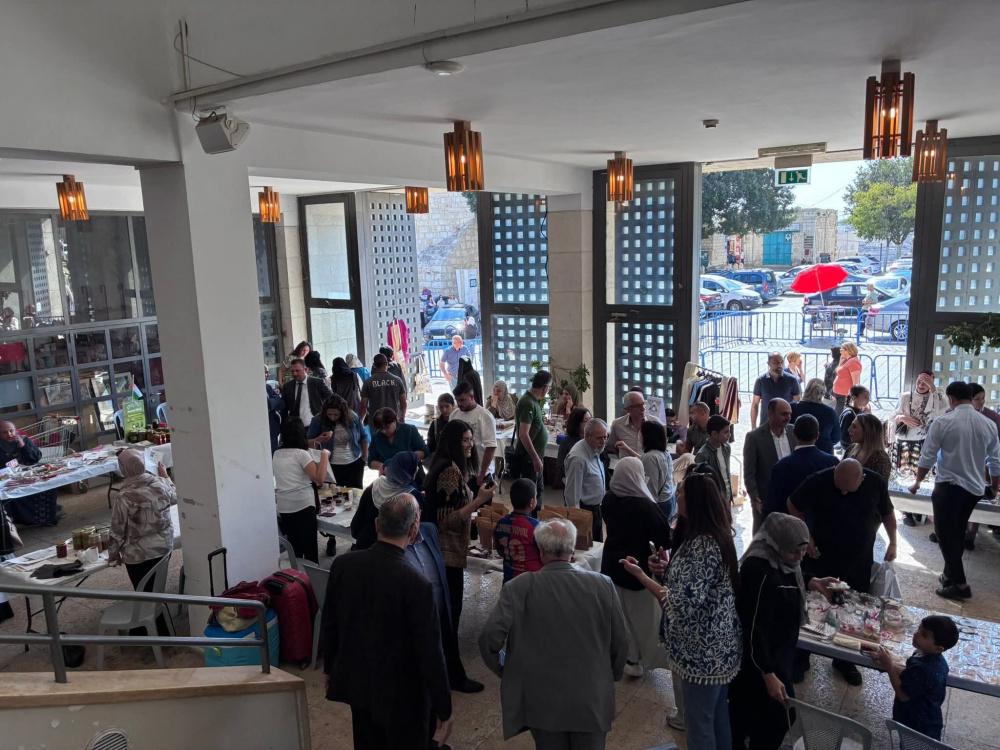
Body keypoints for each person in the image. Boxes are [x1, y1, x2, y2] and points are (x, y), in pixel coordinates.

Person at [479, 517, 628, 749]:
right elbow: (621, 642)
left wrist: (506, 669)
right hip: (591, 697)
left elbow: (489, 638)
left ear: (540, 550)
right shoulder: (603, 585)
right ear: (572, 549)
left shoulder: (519, 587)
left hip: (542, 701)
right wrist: (612, 674)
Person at [620, 470, 742, 748]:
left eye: (683, 492)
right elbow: (695, 586)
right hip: (719, 646)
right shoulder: (710, 535)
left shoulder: (702, 545)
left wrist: (642, 576)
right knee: (717, 717)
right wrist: (666, 570)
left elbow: (680, 603)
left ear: (696, 501)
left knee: (699, 725)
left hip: (703, 653)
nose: (677, 496)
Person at [322, 494, 453, 748]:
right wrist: (444, 707)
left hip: (359, 685)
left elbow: (330, 623)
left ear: (376, 525)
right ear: (414, 530)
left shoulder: (343, 565)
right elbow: (431, 653)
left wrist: (329, 668)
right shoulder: (417, 584)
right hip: (403, 696)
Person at [729, 513, 841, 750]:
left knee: (760, 715)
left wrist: (811, 581)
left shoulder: (781, 561)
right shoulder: (759, 571)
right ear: (776, 544)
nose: (799, 557)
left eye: (803, 550)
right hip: (759, 662)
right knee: (775, 716)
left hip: (778, 654)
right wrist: (767, 673)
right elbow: (753, 627)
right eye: (794, 551)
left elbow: (788, 575)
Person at [789, 459, 897, 685]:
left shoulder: (875, 483)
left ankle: (844, 660)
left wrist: (893, 542)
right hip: (822, 558)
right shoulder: (819, 479)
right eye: (839, 487)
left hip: (858, 561)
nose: (844, 492)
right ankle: (802, 656)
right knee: (813, 606)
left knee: (852, 610)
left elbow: (888, 513)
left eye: (849, 488)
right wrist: (806, 536)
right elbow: (793, 503)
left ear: (861, 478)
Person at [909, 381, 1000, 600]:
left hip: (948, 487)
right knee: (957, 532)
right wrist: (994, 488)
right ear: (970, 397)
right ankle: (948, 575)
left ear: (951, 399)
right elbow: (995, 460)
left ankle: (960, 584)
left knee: (944, 534)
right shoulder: (988, 424)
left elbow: (928, 456)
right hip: (974, 489)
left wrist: (917, 482)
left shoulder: (943, 422)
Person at [601, 456, 671, 678]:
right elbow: (664, 538)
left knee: (620, 616)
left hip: (612, 564)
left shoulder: (608, 499)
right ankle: (642, 658)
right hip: (637, 570)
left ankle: (628, 657)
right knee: (642, 620)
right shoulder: (646, 507)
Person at [424, 419, 496, 634]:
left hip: (449, 550)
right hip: (447, 552)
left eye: (471, 440)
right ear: (453, 442)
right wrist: (479, 500)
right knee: (450, 609)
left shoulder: (450, 466)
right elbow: (446, 521)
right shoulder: (449, 471)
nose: (470, 445)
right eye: (465, 440)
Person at [404, 514, 484, 694]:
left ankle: (454, 677)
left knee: (447, 634)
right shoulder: (392, 547)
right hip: (415, 615)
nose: (414, 522)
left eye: (416, 515)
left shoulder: (429, 530)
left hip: (440, 602)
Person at [108, 448, 177, 634]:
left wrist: (113, 554)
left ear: (123, 469)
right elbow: (174, 497)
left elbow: (117, 530)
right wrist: (165, 476)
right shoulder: (159, 484)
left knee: (145, 592)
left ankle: (146, 630)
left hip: (139, 555)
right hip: (164, 548)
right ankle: (160, 628)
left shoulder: (124, 496)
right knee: (155, 589)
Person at [868, 615, 959, 742]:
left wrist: (889, 666)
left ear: (938, 648)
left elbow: (903, 695)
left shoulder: (926, 669)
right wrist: (889, 661)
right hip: (921, 718)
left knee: (911, 745)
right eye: (919, 629)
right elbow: (909, 673)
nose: (916, 634)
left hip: (918, 726)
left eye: (924, 635)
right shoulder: (927, 655)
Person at [893, 370, 947, 525]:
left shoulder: (936, 398)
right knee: (904, 477)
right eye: (919, 380)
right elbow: (892, 416)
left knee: (922, 478)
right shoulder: (906, 396)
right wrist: (902, 417)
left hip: (925, 442)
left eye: (926, 381)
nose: (922, 384)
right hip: (905, 441)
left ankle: (919, 510)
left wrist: (933, 389)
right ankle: (906, 512)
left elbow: (942, 412)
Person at [272, 418, 328, 563]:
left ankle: (296, 575)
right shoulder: (301, 454)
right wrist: (324, 456)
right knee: (310, 550)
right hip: (303, 505)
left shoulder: (276, 454)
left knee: (295, 548)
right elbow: (319, 479)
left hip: (284, 506)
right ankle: (312, 576)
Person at [765, 415, 839, 519]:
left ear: (794, 434)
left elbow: (773, 505)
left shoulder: (781, 466)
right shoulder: (833, 462)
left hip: (791, 523)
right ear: (817, 435)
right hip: (825, 523)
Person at [350, 451, 424, 551]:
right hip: (394, 551)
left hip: (365, 545)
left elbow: (357, 523)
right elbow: (416, 532)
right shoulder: (413, 497)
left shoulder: (375, 485)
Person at [743, 398, 797, 533]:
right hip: (766, 501)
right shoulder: (754, 437)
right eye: (783, 414)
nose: (788, 417)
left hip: (791, 499)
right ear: (770, 414)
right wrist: (755, 499)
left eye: (789, 414)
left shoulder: (794, 432)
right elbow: (749, 473)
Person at [0, 421, 59, 526]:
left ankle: (46, 518)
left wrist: (23, 446)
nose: (9, 434)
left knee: (48, 485)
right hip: (9, 478)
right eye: (4, 432)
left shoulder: (24, 440)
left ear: (15, 431)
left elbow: (36, 457)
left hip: (29, 474)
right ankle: (23, 520)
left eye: (11, 431)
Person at [307, 394, 368, 489]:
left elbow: (364, 437)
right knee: (334, 494)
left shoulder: (352, 417)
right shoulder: (318, 420)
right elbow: (307, 443)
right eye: (329, 414)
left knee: (355, 494)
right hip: (331, 465)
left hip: (355, 463)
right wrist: (319, 439)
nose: (332, 417)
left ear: (343, 413)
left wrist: (364, 458)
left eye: (336, 415)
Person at [563, 418, 609, 541]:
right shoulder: (578, 459)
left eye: (605, 437)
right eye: (599, 438)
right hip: (585, 511)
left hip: (596, 509)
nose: (603, 441)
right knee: (588, 548)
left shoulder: (593, 447)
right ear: (587, 436)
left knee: (597, 545)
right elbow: (572, 496)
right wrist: (578, 524)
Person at [618, 420, 675, 520]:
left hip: (659, 505)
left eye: (641, 433)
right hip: (668, 500)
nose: (639, 436)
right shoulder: (664, 453)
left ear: (647, 436)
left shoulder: (650, 457)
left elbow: (650, 491)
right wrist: (627, 449)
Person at [966, 383, 1000, 546]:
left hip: (983, 465)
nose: (981, 402)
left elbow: (996, 449)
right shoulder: (958, 416)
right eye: (977, 399)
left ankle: (971, 536)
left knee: (978, 501)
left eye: (983, 398)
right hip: (963, 465)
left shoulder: (992, 417)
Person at [513, 370, 552, 503]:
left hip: (534, 458)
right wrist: (535, 458)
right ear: (545, 387)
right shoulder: (528, 403)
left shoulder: (533, 401)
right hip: (529, 460)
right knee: (531, 496)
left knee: (537, 492)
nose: (548, 390)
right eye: (549, 387)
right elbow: (523, 434)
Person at [492, 478, 542, 582]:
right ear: (532, 502)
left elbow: (499, 548)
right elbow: (544, 553)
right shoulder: (536, 526)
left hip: (509, 580)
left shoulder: (501, 523)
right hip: (531, 581)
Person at [453, 381, 498, 489]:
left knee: (481, 500)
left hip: (480, 472)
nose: (459, 404)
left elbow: (490, 447)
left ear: (472, 397)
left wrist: (482, 473)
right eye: (457, 400)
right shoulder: (454, 415)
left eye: (462, 400)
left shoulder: (484, 416)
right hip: (460, 471)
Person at [750, 352, 801, 429]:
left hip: (786, 426)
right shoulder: (761, 380)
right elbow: (755, 404)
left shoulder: (792, 380)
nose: (780, 365)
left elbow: (797, 403)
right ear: (768, 364)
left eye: (781, 362)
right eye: (776, 363)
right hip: (766, 426)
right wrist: (753, 427)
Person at [791, 378, 841, 454]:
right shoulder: (830, 412)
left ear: (806, 390)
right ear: (823, 394)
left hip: (797, 452)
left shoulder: (793, 408)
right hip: (824, 453)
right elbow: (836, 438)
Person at [281, 358, 333, 427]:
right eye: (292, 371)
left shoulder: (317, 383)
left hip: (315, 424)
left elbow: (332, 398)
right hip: (295, 427)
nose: (294, 374)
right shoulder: (288, 386)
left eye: (297, 371)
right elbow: (284, 407)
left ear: (306, 370)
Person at [359, 353, 407, 425]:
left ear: (374, 365)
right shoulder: (397, 380)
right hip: (393, 422)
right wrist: (402, 417)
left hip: (376, 423)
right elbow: (403, 403)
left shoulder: (368, 382)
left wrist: (361, 422)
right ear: (387, 364)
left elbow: (363, 406)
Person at [694, 415, 733, 502]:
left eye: (729, 431)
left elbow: (725, 473)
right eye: (726, 432)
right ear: (714, 434)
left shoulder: (727, 448)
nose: (729, 435)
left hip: (727, 496)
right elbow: (701, 484)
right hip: (714, 500)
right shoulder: (702, 455)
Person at [846, 413, 892, 482]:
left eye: (854, 427)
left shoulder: (881, 460)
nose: (849, 429)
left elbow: (879, 486)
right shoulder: (851, 448)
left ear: (867, 432)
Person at [607, 390, 651, 455]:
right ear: (628, 409)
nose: (643, 408)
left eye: (643, 404)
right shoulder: (617, 424)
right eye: (638, 406)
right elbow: (611, 447)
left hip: (648, 461)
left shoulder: (654, 423)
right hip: (625, 461)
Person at [556, 406, 591, 486]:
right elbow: (560, 466)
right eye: (586, 420)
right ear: (577, 423)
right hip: (573, 481)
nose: (590, 423)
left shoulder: (593, 440)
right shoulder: (566, 442)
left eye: (590, 420)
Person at [831, 340, 862, 415]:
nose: (840, 352)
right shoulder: (846, 360)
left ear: (848, 350)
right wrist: (840, 362)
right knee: (838, 413)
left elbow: (856, 382)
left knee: (840, 414)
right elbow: (839, 373)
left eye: (841, 350)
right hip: (839, 394)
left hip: (845, 394)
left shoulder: (854, 362)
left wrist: (853, 396)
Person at [839, 384, 871, 452]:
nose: (868, 400)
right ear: (854, 398)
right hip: (851, 450)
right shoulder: (849, 414)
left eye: (869, 397)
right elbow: (843, 438)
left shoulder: (861, 412)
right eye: (865, 397)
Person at [265, 366, 285, 454]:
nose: (267, 375)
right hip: (263, 429)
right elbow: (267, 404)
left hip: (273, 429)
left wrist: (273, 402)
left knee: (274, 455)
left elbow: (281, 403)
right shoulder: (254, 389)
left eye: (267, 372)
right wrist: (275, 401)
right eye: (265, 372)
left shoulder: (268, 387)